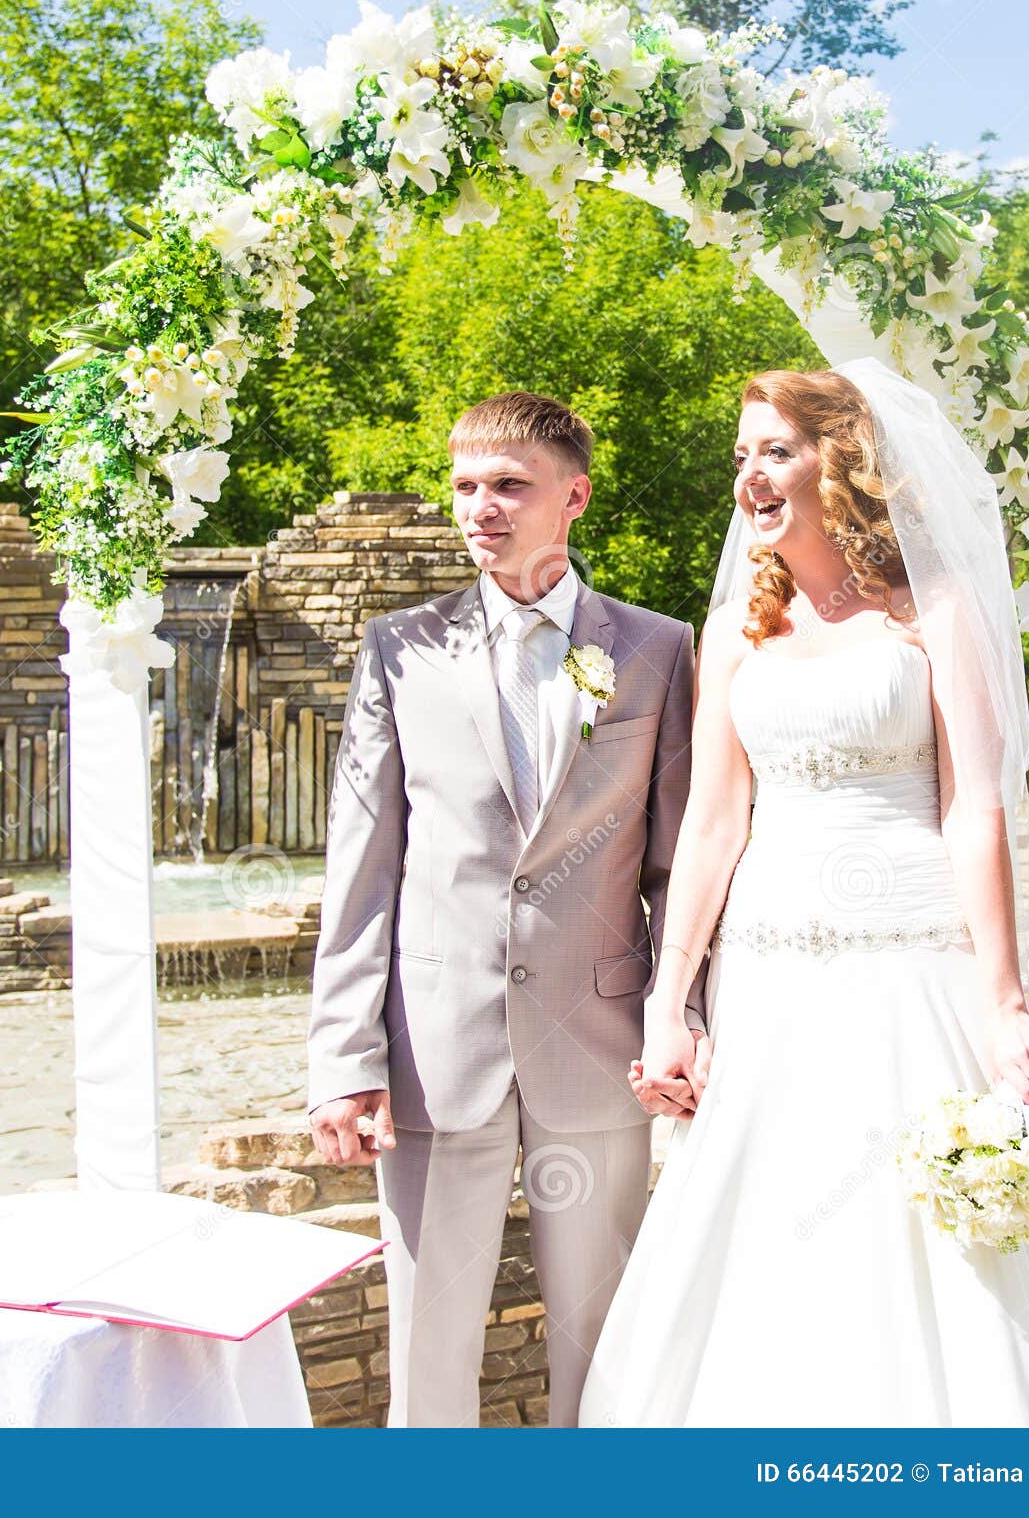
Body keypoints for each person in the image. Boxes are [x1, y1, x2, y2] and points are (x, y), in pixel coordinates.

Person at [580, 360, 1029, 1427]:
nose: (752, 477)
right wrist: (670, 1000)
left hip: (915, 959)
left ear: (844, 459)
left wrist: (1005, 995)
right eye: (741, 457)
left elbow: (975, 810)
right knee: (777, 1219)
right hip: (771, 975)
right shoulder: (734, 629)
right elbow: (713, 821)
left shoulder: (935, 610)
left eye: (776, 450)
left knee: (944, 1225)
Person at [305, 390, 705, 1426]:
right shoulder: (397, 647)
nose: (481, 507)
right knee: (427, 1350)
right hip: (437, 1045)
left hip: (600, 1041)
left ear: (571, 497)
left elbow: (676, 864)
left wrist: (687, 1018)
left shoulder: (658, 649)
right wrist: (344, 1059)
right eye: (466, 486)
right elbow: (362, 864)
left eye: (509, 486)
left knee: (601, 1338)